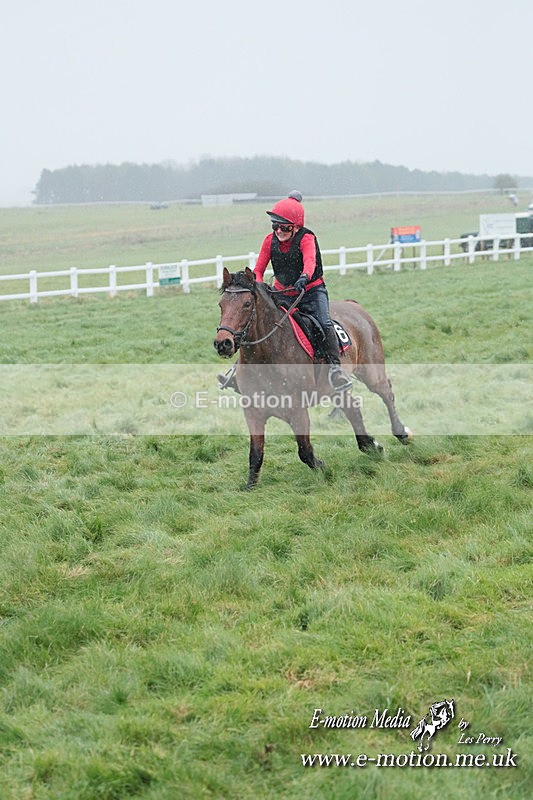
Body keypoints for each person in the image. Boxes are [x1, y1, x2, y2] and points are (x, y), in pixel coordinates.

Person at [219, 192, 352, 393]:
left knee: (324, 323)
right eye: (275, 226)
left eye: (284, 227)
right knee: (256, 325)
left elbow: (310, 262)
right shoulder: (269, 241)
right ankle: (237, 371)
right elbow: (258, 270)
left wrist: (304, 278)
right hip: (281, 293)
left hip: (311, 291)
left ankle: (335, 369)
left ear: (296, 226)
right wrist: (259, 288)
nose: (279, 231)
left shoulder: (306, 238)